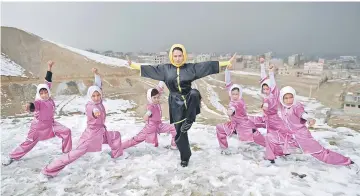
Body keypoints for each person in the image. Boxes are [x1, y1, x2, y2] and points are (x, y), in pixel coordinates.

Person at [126, 44, 236, 167]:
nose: (178, 58)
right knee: (179, 134)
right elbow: (150, 69)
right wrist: (133, 65)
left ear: (183, 56)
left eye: (180, 56)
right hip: (175, 103)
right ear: (171, 57)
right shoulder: (165, 69)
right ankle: (185, 157)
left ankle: (189, 119)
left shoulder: (190, 68)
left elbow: (207, 66)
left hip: (188, 99)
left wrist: (226, 62)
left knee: (195, 93)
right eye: (175, 56)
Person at [40, 68, 127, 179]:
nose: (96, 98)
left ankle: (116, 155)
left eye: (98, 95)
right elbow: (93, 111)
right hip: (91, 137)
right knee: (74, 155)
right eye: (93, 96)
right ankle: (49, 170)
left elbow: (98, 86)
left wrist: (96, 74)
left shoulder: (99, 100)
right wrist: (96, 113)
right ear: (90, 97)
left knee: (116, 136)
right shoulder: (91, 106)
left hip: (101, 133)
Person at [2, 61, 72, 166]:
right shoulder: (39, 102)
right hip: (38, 127)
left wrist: (49, 67)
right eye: (41, 93)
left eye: (45, 92)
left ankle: (67, 153)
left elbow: (48, 81)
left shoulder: (49, 98)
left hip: (51, 124)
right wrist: (29, 106)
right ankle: (12, 156)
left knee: (66, 131)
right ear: (39, 94)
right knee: (28, 143)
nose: (44, 95)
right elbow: (34, 106)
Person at [278, 86, 358, 172]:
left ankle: (347, 162)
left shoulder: (296, 106)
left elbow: (303, 114)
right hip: (292, 136)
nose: (289, 100)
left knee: (322, 154)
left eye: (291, 97)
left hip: (302, 136)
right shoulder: (283, 107)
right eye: (286, 98)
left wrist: (309, 119)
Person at [216, 68, 266, 155]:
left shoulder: (238, 102)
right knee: (219, 128)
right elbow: (228, 84)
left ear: (240, 94)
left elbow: (233, 108)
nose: (235, 96)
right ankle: (224, 149)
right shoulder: (234, 97)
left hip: (244, 127)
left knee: (264, 142)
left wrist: (230, 111)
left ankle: (277, 149)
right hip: (235, 124)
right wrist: (227, 70)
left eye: (236, 94)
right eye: (233, 94)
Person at [122, 81, 177, 150]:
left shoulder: (156, 100)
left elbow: (157, 91)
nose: (157, 99)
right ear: (150, 98)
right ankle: (120, 147)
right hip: (150, 129)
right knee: (139, 141)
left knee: (174, 127)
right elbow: (148, 113)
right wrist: (147, 115)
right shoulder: (151, 106)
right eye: (154, 98)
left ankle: (174, 145)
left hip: (159, 125)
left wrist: (161, 83)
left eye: (158, 97)